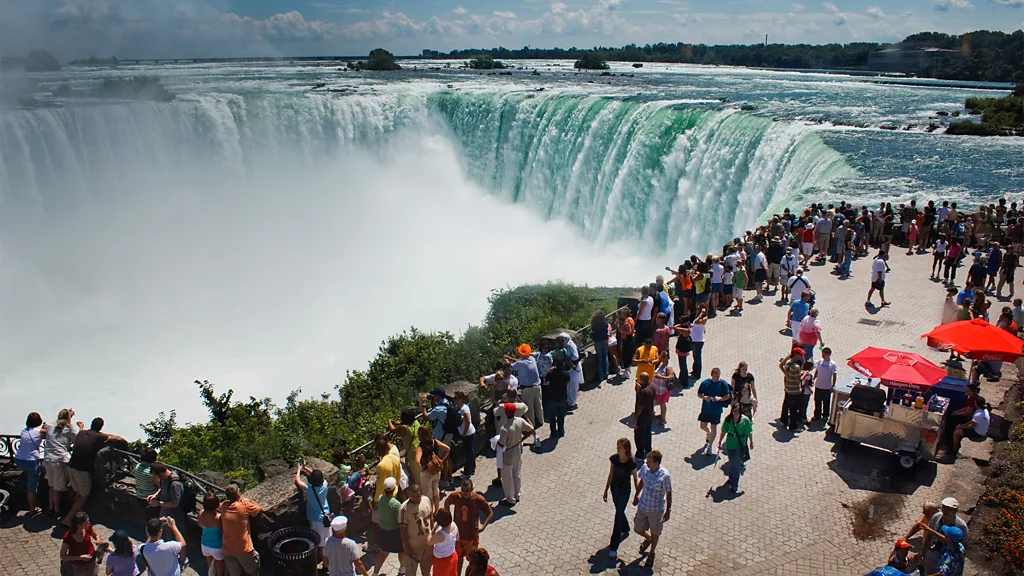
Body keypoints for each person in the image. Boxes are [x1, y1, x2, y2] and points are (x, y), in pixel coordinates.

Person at [66, 418, 125, 526]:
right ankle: (68, 519)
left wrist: (81, 426)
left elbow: (82, 432)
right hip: (82, 469)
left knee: (78, 493)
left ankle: (78, 518)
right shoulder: (99, 436)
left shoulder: (82, 433)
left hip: (71, 466)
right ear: (101, 427)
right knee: (84, 495)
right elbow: (115, 438)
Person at [443, 478, 492, 576]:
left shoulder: (478, 499)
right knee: (458, 559)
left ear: (472, 489)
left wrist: (483, 527)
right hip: (458, 536)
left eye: (467, 491)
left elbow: (490, 513)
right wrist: (449, 520)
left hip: (471, 537)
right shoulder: (456, 496)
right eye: (463, 490)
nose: (465, 493)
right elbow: (446, 503)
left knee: (472, 561)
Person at [632, 450, 672, 569]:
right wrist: (636, 494)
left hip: (656, 509)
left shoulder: (664, 476)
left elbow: (669, 493)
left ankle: (652, 552)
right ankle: (648, 538)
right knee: (637, 528)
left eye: (649, 461)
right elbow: (642, 481)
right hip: (643, 505)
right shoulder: (645, 468)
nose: (646, 463)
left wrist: (668, 510)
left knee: (655, 532)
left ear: (656, 463)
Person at [603, 438, 639, 559]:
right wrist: (606, 489)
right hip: (615, 489)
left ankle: (614, 546)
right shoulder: (614, 458)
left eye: (620, 447)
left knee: (617, 516)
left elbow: (635, 478)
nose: (618, 449)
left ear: (626, 449)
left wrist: (637, 494)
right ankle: (626, 527)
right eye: (617, 446)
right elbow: (611, 474)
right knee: (619, 511)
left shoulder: (631, 462)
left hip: (624, 490)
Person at [43, 409, 82, 518]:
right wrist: (80, 427)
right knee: (58, 488)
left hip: (47, 459)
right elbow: (78, 440)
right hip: (59, 460)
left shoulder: (50, 426)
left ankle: (50, 508)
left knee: (51, 486)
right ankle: (56, 510)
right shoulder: (69, 429)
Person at [218, 484, 264, 576]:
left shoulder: (223, 507)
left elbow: (221, 504)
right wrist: (249, 501)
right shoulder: (244, 507)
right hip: (244, 549)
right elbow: (260, 509)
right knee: (253, 571)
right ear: (238, 494)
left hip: (228, 549)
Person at [294, 462, 330, 568]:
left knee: (320, 546)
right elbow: (319, 477)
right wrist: (306, 468)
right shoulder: (325, 484)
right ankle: (330, 562)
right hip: (327, 517)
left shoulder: (310, 489)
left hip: (316, 521)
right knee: (328, 542)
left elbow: (297, 481)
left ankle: (326, 565)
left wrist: (299, 469)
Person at [497, 403, 534, 506]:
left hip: (508, 454)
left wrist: (496, 442)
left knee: (507, 477)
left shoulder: (504, 428)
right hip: (517, 450)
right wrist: (521, 439)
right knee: (516, 474)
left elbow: (501, 443)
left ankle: (510, 498)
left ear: (505, 413)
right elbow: (531, 429)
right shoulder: (520, 420)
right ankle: (517, 494)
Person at [922, 498, 969, 574]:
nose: (945, 510)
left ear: (955, 511)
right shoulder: (936, 517)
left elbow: (942, 574)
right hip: (933, 555)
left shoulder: (961, 526)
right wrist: (924, 551)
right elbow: (929, 536)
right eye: (944, 507)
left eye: (949, 508)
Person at [508, 344, 543, 444]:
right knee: (539, 405)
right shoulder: (531, 358)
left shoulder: (520, 364)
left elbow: (510, 367)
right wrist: (511, 358)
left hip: (527, 389)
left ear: (520, 353)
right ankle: (541, 420)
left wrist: (507, 360)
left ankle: (531, 426)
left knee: (529, 408)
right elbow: (521, 362)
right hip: (537, 386)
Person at [717, 402, 754, 495]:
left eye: (737, 412)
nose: (735, 414)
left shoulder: (745, 420)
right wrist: (720, 441)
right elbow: (724, 430)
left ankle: (734, 485)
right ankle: (731, 477)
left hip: (740, 445)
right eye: (734, 411)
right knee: (732, 461)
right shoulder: (728, 419)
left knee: (736, 465)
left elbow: (749, 431)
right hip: (730, 444)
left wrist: (751, 442)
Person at [14, 411, 46, 515]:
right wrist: (46, 427)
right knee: (32, 486)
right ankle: (32, 509)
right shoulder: (39, 432)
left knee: (29, 476)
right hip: (31, 461)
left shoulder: (24, 431)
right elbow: (46, 433)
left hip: (18, 459)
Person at [398, 484, 433, 576]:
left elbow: (431, 516)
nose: (415, 498)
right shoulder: (404, 508)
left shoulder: (426, 500)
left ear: (421, 493)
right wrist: (406, 547)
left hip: (427, 543)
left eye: (417, 496)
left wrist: (432, 533)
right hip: (413, 545)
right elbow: (403, 529)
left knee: (426, 570)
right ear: (409, 494)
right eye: (413, 496)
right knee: (410, 572)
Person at [372, 477, 403, 576]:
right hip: (394, 530)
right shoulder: (396, 504)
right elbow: (399, 519)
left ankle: (375, 573)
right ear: (394, 489)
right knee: (401, 550)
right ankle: (402, 569)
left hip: (383, 529)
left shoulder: (380, 498)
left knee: (383, 553)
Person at [697, 368, 731, 456]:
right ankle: (708, 433)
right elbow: (699, 394)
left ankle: (710, 446)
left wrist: (720, 398)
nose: (717, 378)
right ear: (711, 375)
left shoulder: (723, 384)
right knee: (702, 426)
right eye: (715, 376)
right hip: (706, 409)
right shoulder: (705, 383)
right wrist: (705, 398)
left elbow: (727, 396)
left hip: (716, 410)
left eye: (718, 376)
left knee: (714, 427)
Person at [416, 426, 450, 513]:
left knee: (428, 494)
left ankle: (431, 513)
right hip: (436, 469)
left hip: (426, 472)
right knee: (436, 490)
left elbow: (417, 461)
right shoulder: (434, 442)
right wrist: (442, 460)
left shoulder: (420, 447)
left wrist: (420, 469)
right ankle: (437, 510)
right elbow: (447, 448)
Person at [388, 408, 422, 487]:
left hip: (413, 453)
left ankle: (421, 491)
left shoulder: (404, 428)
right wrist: (396, 422)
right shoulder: (416, 422)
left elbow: (392, 430)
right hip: (420, 449)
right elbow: (402, 424)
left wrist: (389, 422)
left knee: (417, 475)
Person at [60, 512, 103, 576]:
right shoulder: (68, 537)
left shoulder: (87, 528)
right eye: (86, 522)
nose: (89, 523)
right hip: (78, 566)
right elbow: (63, 556)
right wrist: (80, 557)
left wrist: (98, 539)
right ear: (78, 525)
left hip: (91, 562)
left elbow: (96, 535)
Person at [147, 463, 185, 529]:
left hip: (173, 516)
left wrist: (158, 503)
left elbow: (175, 503)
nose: (155, 478)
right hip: (165, 511)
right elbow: (162, 488)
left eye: (155, 476)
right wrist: (155, 495)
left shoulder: (174, 485)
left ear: (160, 474)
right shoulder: (164, 478)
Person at [198, 493, 225, 576]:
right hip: (217, 546)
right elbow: (224, 529)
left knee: (211, 567)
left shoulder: (201, 513)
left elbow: (199, 524)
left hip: (205, 545)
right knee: (220, 571)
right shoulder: (219, 517)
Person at [780, 348, 807, 431]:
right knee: (793, 409)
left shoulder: (788, 363)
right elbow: (799, 380)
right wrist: (805, 374)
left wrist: (787, 375)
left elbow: (781, 366)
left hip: (788, 388)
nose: (802, 356)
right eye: (800, 354)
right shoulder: (796, 367)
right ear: (796, 355)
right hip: (794, 390)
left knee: (786, 405)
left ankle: (783, 420)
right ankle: (793, 426)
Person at [453, 391, 477, 478]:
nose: (455, 400)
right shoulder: (461, 408)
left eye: (456, 398)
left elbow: (467, 422)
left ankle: (467, 472)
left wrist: (464, 433)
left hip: (468, 434)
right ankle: (471, 469)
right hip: (467, 433)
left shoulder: (464, 409)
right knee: (470, 452)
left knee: (468, 453)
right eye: (454, 398)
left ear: (461, 399)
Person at [429, 509, 459, 576]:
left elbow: (429, 541)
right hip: (453, 556)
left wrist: (434, 529)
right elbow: (457, 538)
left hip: (442, 562)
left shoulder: (441, 534)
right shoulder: (454, 525)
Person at [633, 373, 656, 461]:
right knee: (647, 432)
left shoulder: (642, 392)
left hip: (642, 417)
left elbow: (640, 407)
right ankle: (648, 449)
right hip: (650, 414)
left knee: (639, 436)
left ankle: (640, 454)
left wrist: (635, 419)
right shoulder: (652, 386)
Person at [133, 448, 160, 521]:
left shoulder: (138, 466)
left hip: (140, 496)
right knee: (153, 519)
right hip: (150, 499)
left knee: (147, 518)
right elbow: (160, 486)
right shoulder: (151, 472)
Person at [812, 347, 838, 422]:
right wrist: (814, 378)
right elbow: (817, 371)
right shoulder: (820, 362)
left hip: (826, 387)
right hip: (818, 385)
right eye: (822, 354)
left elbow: (834, 375)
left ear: (828, 354)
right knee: (817, 401)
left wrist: (833, 386)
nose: (823, 355)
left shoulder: (832, 364)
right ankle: (817, 415)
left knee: (826, 402)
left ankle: (825, 415)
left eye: (824, 354)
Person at [652, 350, 676, 425]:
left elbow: (670, 377)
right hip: (657, 388)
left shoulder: (668, 367)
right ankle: (660, 415)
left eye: (661, 357)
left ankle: (663, 419)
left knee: (662, 404)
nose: (660, 358)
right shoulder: (661, 364)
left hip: (663, 389)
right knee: (656, 402)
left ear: (666, 358)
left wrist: (660, 377)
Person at [591, 309, 611, 381]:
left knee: (599, 358)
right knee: (605, 356)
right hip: (605, 340)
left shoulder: (594, 324)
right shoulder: (605, 323)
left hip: (598, 342)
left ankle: (600, 376)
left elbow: (593, 332)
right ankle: (606, 372)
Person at [689, 308, 707, 381]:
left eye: (698, 309)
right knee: (695, 356)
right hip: (694, 340)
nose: (697, 309)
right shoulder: (697, 317)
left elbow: (696, 322)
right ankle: (694, 370)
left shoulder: (704, 318)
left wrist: (701, 314)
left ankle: (697, 374)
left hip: (698, 341)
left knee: (697, 358)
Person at [616, 309, 636, 379]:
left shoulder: (627, 322)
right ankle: (628, 369)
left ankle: (626, 371)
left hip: (627, 339)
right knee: (628, 353)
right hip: (631, 339)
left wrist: (620, 330)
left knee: (625, 354)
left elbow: (629, 331)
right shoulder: (630, 319)